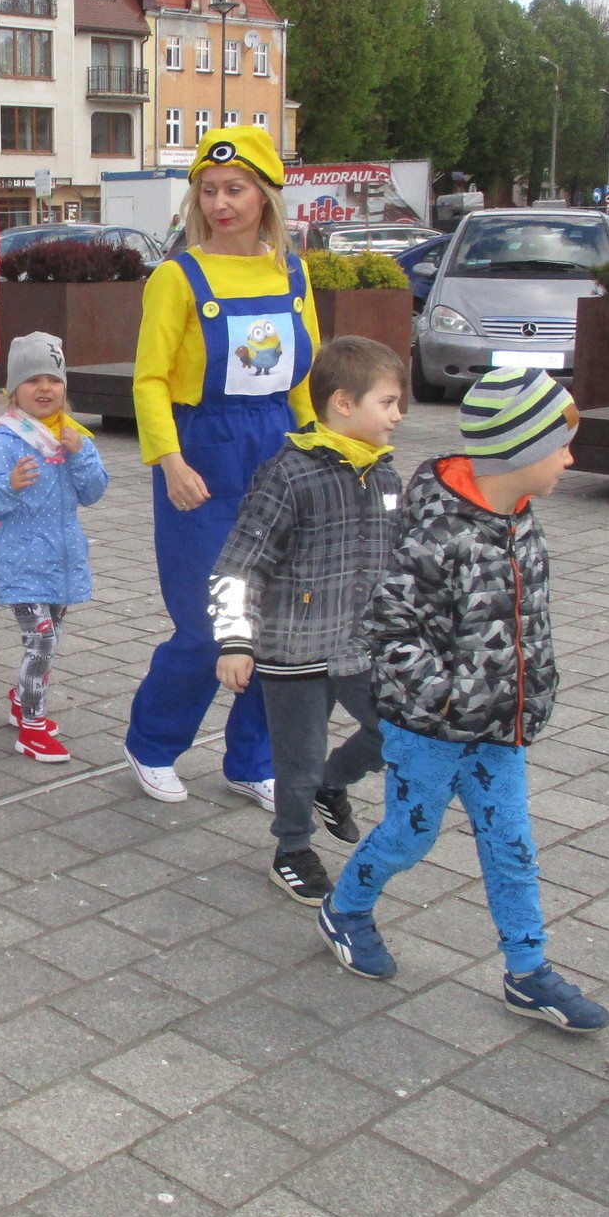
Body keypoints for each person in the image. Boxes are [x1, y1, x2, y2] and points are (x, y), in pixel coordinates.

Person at [316, 368, 609, 1034]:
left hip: (499, 728)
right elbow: (390, 630)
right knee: (410, 834)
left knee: (512, 843)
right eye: (561, 446)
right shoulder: (439, 535)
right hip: (431, 728)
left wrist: (532, 688)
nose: (570, 460)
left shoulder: (519, 519)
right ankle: (346, 908)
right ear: (518, 450)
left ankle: (528, 970)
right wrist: (448, 701)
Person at [122, 126, 322, 809]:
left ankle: (252, 759)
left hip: (278, 450)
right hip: (201, 456)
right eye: (208, 191)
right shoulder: (176, 277)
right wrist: (169, 461)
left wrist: (321, 451)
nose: (220, 204)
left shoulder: (292, 273)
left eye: (235, 189)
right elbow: (149, 379)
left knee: (276, 619)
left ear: (265, 197)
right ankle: (152, 742)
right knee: (212, 626)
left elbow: (303, 377)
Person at [209, 337, 406, 904]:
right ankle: (292, 849)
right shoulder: (289, 476)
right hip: (293, 649)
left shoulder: (385, 477)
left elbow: (399, 563)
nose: (398, 415)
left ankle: (332, 783)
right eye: (387, 402)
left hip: (360, 646)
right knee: (297, 761)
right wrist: (235, 641)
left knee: (396, 730)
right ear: (343, 403)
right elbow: (238, 564)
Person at [0, 332, 108, 764]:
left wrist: (81, 453)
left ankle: (22, 697)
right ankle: (31, 726)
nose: (45, 388)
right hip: (23, 562)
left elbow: (93, 492)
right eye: (32, 380)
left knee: (52, 638)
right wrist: (10, 486)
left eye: (53, 379)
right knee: (42, 643)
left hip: (62, 561)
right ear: (13, 391)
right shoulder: (5, 441)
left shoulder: (73, 437)